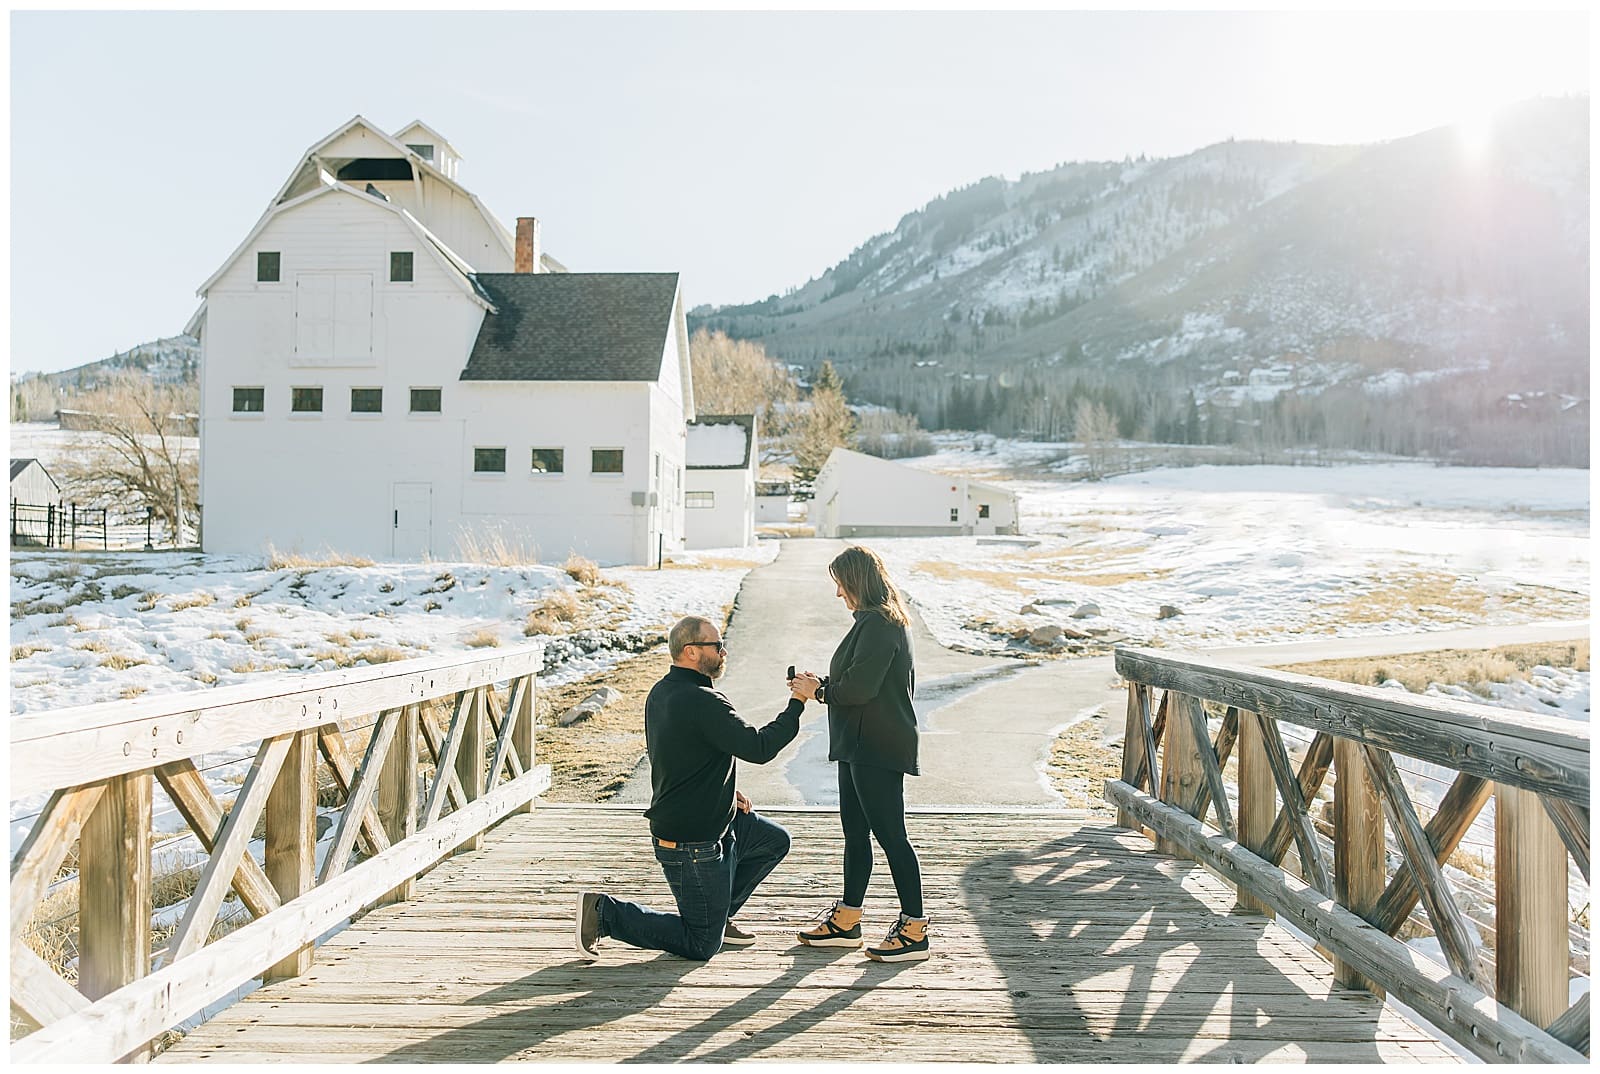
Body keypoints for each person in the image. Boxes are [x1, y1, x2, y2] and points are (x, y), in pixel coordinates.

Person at [575, 614, 818, 960]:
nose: (724, 652)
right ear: (691, 651)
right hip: (691, 840)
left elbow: (681, 756)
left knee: (773, 840)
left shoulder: (663, 692)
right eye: (717, 646)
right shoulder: (703, 701)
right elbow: (759, 748)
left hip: (714, 818)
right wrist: (798, 702)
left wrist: (725, 790)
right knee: (701, 944)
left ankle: (718, 916)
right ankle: (604, 913)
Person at [790, 545, 929, 963]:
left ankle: (915, 930)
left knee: (891, 836)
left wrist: (819, 692)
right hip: (858, 743)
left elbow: (860, 689)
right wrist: (825, 682)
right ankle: (847, 921)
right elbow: (861, 679)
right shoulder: (873, 623)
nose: (838, 594)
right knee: (855, 832)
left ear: (857, 582)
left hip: (877, 745)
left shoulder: (879, 623)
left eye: (840, 584)